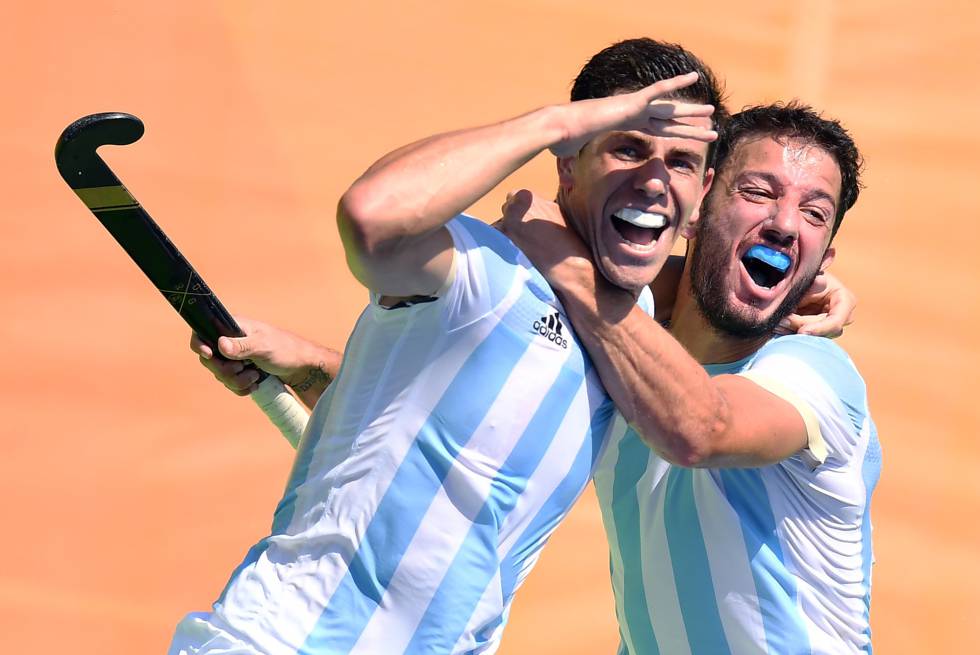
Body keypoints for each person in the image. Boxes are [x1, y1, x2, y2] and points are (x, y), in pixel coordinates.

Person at [169, 38, 726, 655]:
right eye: (627, 146)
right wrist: (554, 123)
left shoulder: (637, 323)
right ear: (568, 165)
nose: (653, 180)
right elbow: (371, 216)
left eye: (679, 162)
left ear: (702, 194)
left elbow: (449, 434)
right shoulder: (487, 269)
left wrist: (805, 287)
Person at [499, 102, 880, 653]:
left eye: (814, 213)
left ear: (823, 261)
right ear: (697, 208)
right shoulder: (619, 352)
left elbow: (699, 426)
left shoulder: (817, 373)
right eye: (758, 192)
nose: (786, 222)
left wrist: (566, 264)